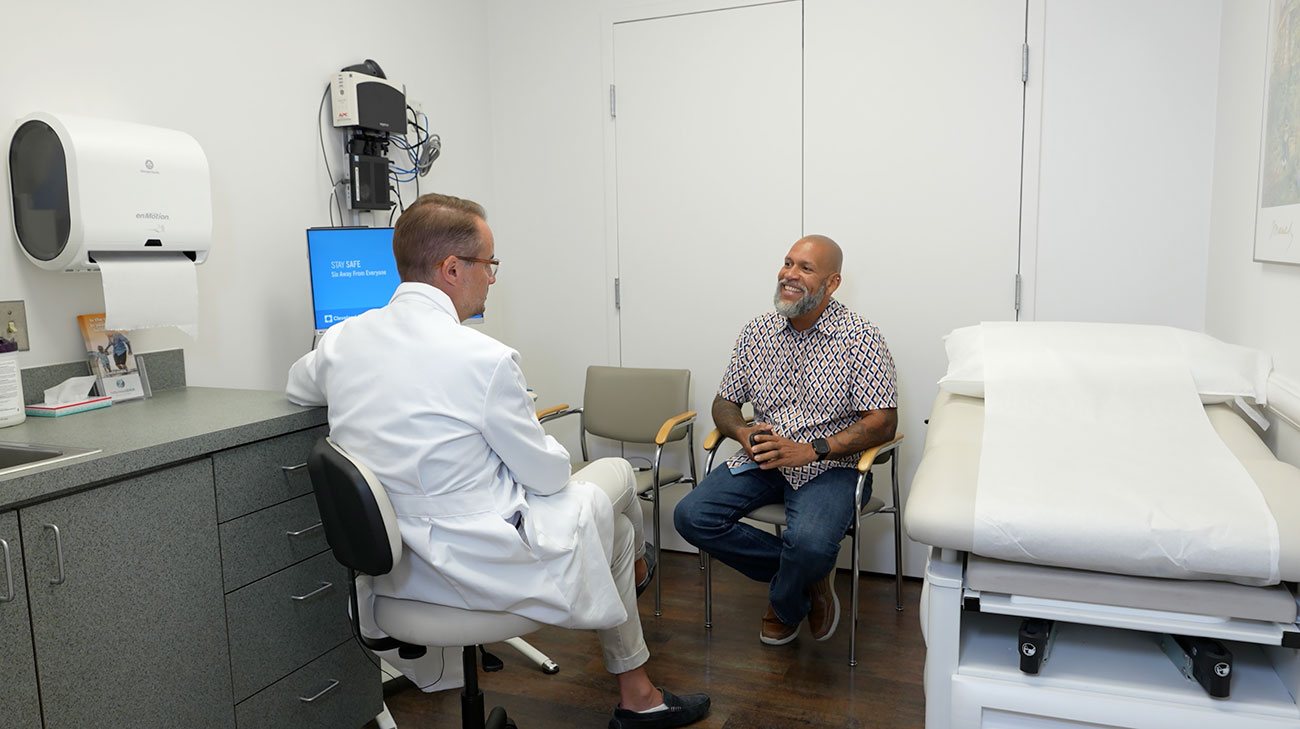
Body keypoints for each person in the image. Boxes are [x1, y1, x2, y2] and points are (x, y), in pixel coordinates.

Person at [286, 193, 709, 729]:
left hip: (397, 574)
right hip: (480, 567)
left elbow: (297, 386)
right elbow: (549, 476)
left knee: (619, 535)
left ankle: (640, 694)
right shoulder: (484, 359)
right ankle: (641, 612)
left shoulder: (344, 339)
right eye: (489, 264)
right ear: (452, 269)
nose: (491, 279)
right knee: (621, 478)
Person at [673, 234, 898, 646]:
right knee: (691, 516)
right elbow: (724, 402)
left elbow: (883, 422)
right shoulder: (756, 331)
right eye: (788, 263)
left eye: (805, 268)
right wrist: (742, 432)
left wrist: (812, 450)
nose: (789, 274)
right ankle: (807, 578)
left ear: (832, 283)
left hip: (831, 466)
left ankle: (786, 599)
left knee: (810, 544)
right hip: (764, 458)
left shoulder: (861, 337)